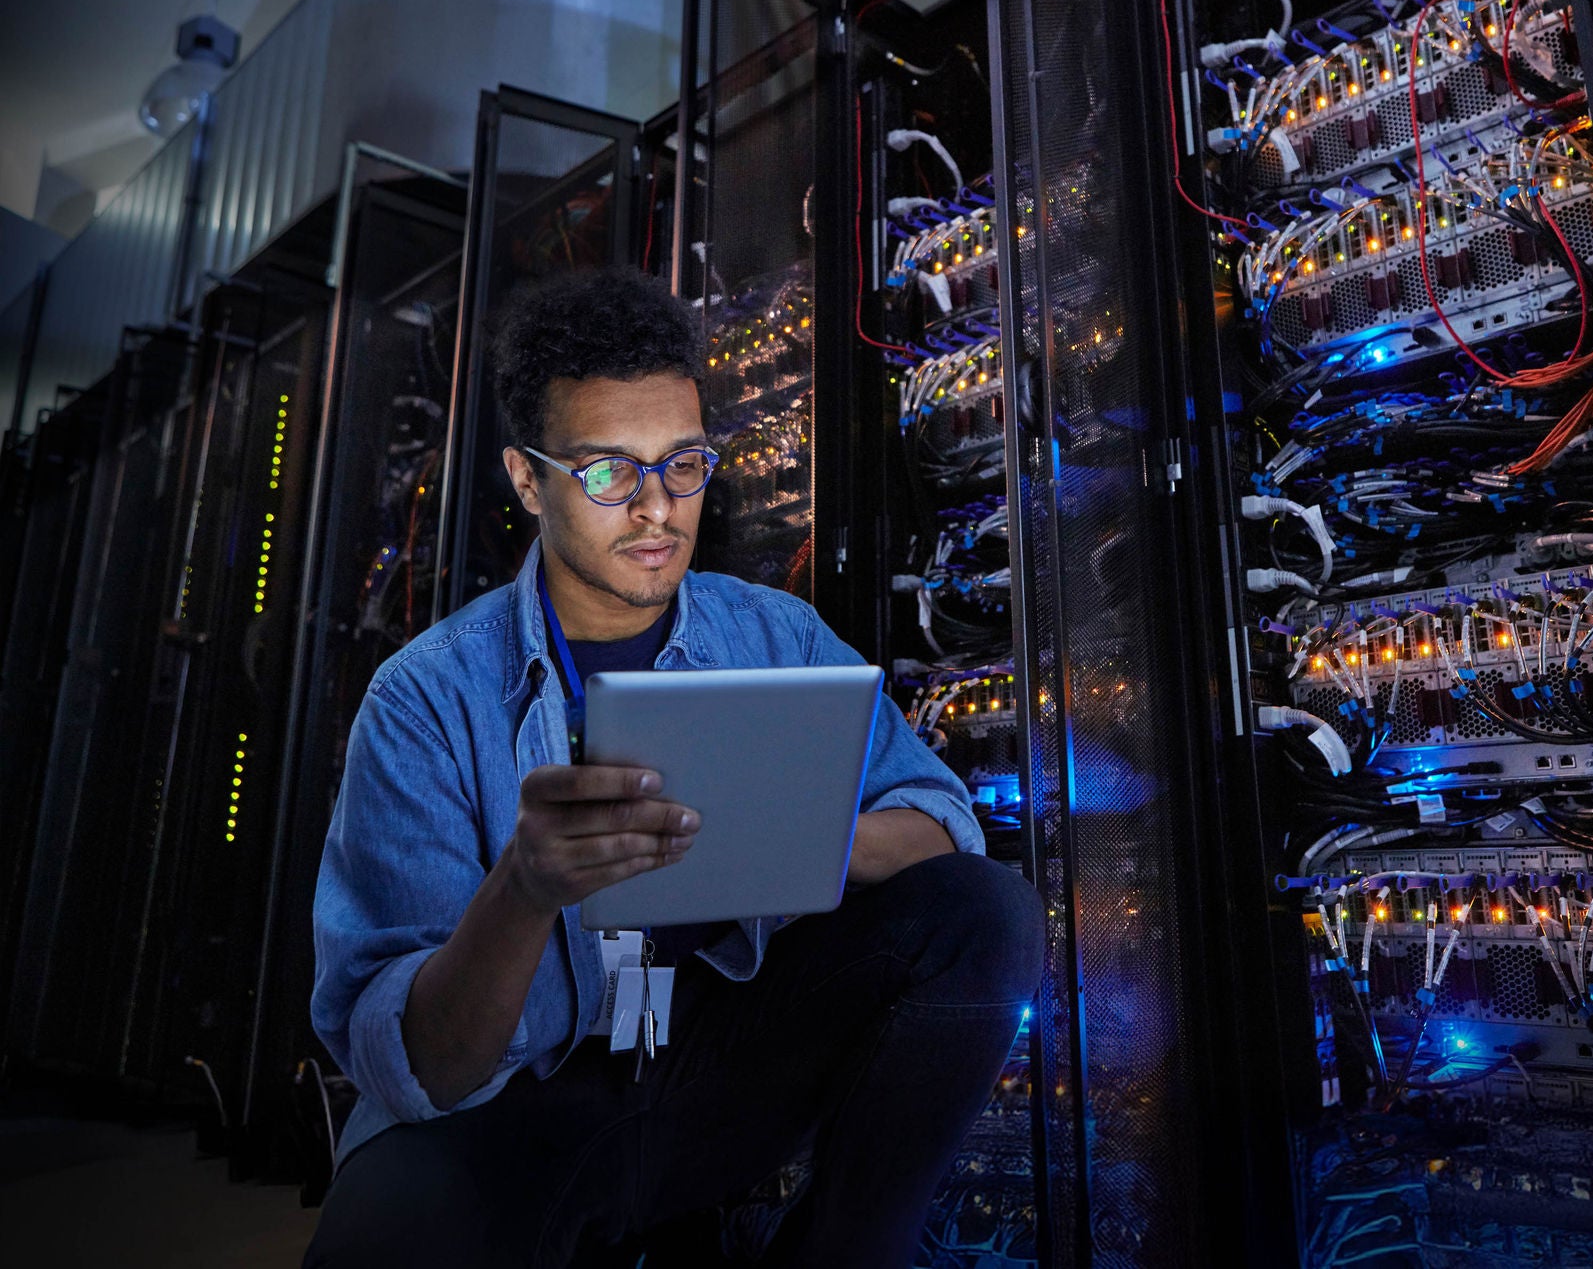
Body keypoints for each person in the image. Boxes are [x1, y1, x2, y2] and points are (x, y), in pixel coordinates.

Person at [304, 266, 1043, 1267]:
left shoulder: (773, 637)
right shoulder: (426, 698)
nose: (657, 508)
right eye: (609, 473)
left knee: (985, 912)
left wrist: (790, 831)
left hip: (712, 1069)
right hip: (518, 1103)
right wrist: (523, 889)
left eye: (684, 463)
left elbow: (940, 823)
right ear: (527, 480)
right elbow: (424, 1067)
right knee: (377, 1242)